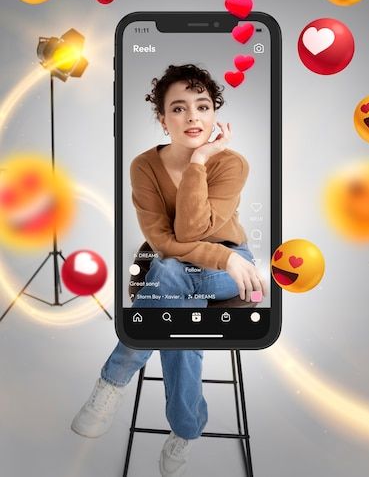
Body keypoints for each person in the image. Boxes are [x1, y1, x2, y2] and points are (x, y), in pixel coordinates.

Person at [71, 64, 265, 477]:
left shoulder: (231, 164)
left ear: (214, 114)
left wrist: (199, 163)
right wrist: (215, 255)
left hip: (232, 266)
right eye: (178, 108)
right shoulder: (144, 166)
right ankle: (186, 430)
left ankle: (111, 382)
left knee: (167, 278)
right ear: (163, 119)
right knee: (172, 280)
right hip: (184, 262)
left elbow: (194, 229)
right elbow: (161, 240)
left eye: (202, 106)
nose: (192, 116)